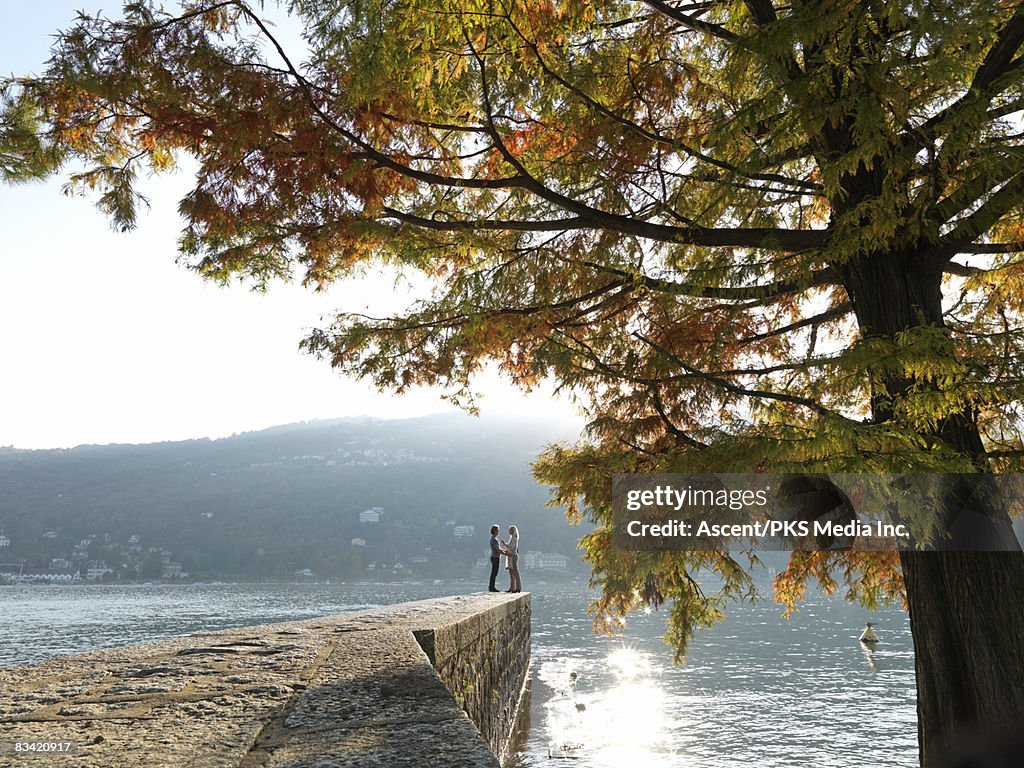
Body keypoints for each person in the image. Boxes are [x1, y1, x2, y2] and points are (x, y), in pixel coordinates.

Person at [503, 524, 521, 593]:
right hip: (511, 556)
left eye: (510, 530)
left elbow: (511, 547)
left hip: (513, 556)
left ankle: (518, 587)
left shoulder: (514, 539)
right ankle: (512, 588)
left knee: (515, 572)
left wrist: (505, 545)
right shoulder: (511, 538)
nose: (509, 531)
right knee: (511, 572)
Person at [487, 524, 502, 592]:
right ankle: (491, 587)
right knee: (494, 573)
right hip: (495, 558)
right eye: (497, 530)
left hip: (494, 557)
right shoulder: (494, 540)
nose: (498, 531)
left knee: (494, 573)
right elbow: (498, 549)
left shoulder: (493, 539)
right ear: (495, 531)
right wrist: (507, 553)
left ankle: (491, 586)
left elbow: (498, 549)